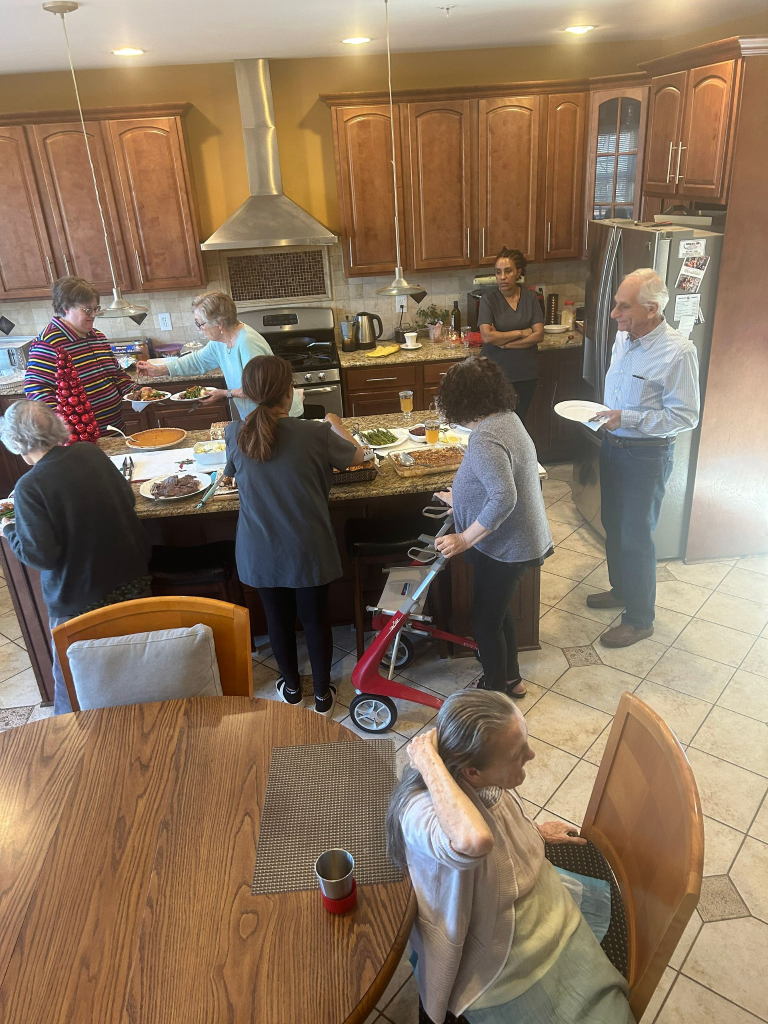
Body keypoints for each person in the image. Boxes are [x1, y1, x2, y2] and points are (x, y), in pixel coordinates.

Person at [387, 690, 635, 1024]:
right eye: (518, 754)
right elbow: (475, 839)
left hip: (534, 902)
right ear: (471, 772)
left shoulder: (477, 778)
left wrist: (533, 831)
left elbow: (496, 821)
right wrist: (427, 760)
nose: (531, 755)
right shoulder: (420, 810)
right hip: (495, 944)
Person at [223, 355, 365, 715]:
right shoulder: (315, 433)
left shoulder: (234, 432)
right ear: (289, 393)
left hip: (260, 549)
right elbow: (358, 456)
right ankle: (322, 695)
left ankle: (290, 688)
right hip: (307, 547)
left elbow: (231, 472)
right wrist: (334, 421)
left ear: (249, 394)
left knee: (278, 620)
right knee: (315, 619)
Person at [0, 400, 151, 714]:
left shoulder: (29, 487)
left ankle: (75, 732)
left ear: (16, 442)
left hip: (79, 600)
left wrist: (9, 529)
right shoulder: (90, 453)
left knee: (73, 681)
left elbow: (41, 556)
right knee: (139, 661)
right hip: (132, 581)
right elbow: (127, 498)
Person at [589, 268, 700, 649]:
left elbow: (685, 416)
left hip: (646, 455)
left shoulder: (678, 352)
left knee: (636, 536)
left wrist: (628, 418)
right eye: (616, 304)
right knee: (612, 523)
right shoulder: (624, 337)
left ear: (651, 309)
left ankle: (639, 619)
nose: (614, 314)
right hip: (612, 445)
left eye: (624, 307)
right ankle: (622, 590)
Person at [433, 357, 552, 698]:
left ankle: (494, 692)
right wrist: (462, 501)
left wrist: (463, 538)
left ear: (461, 401)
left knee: (484, 623)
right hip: (516, 539)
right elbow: (499, 481)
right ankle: (511, 680)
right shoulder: (507, 419)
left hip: (507, 546)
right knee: (496, 615)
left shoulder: (486, 437)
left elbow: (503, 497)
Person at [136, 290, 304, 419]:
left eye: (200, 323)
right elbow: (197, 361)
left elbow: (259, 390)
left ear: (219, 324)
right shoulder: (220, 341)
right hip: (258, 417)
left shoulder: (247, 343)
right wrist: (159, 370)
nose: (199, 329)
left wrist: (224, 393)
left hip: (282, 417)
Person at [24, 276, 133, 435]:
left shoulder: (98, 336)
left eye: (96, 308)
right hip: (80, 435)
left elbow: (116, 374)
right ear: (66, 308)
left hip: (115, 428)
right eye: (87, 310)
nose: (93, 314)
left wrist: (137, 391)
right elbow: (36, 389)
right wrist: (61, 421)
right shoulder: (49, 342)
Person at [477, 248, 544, 426]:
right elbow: (488, 337)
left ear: (518, 272)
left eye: (508, 271)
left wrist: (506, 344)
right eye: (498, 272)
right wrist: (520, 333)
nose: (502, 277)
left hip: (525, 373)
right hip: (495, 374)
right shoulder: (488, 300)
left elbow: (538, 334)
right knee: (494, 423)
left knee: (518, 423)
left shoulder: (530, 298)